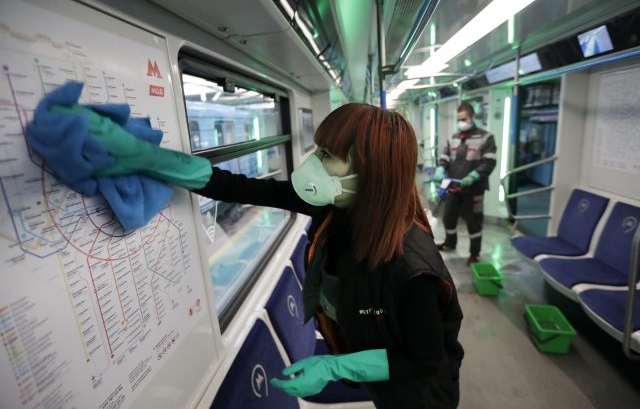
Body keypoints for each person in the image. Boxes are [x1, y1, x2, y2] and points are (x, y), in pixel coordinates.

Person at [40, 95, 464, 408]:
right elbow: (240, 187)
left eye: (327, 155)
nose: (312, 162)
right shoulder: (339, 204)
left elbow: (427, 361)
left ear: (367, 171)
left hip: (422, 393)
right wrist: (148, 158)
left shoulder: (411, 267)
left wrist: (337, 367)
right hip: (373, 368)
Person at [432, 102, 497, 266]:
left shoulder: (486, 137)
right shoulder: (453, 137)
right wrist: (440, 169)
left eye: (464, 118)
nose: (461, 122)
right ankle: (450, 242)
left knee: (474, 221)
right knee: (448, 218)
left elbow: (489, 162)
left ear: (472, 117)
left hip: (474, 188)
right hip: (453, 187)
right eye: (458, 119)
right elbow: (445, 157)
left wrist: (474, 176)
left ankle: (474, 253)